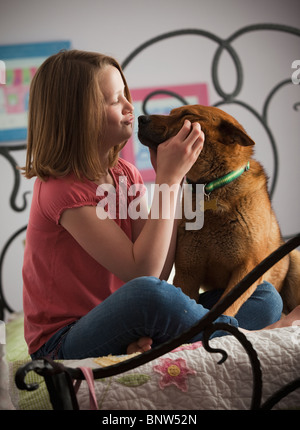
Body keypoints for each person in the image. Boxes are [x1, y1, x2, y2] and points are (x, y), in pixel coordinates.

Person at [22, 50, 299, 360]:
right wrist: (168, 178)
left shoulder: (126, 175)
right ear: (76, 114)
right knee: (147, 295)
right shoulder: (61, 190)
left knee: (264, 297)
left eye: (126, 95)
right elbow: (142, 274)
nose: (130, 106)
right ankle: (254, 338)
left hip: (129, 324)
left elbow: (159, 269)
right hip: (63, 342)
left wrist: (176, 180)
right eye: (115, 100)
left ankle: (171, 341)